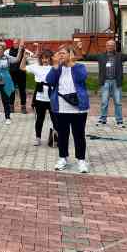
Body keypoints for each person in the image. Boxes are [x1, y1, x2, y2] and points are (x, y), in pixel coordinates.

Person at [46, 45, 90, 173]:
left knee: (79, 134)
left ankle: (81, 160)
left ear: (71, 54)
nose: (60, 55)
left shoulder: (79, 67)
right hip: (61, 107)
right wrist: (55, 66)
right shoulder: (57, 68)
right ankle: (62, 158)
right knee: (63, 134)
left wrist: (71, 63)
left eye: (63, 53)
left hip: (78, 108)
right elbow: (49, 81)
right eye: (59, 53)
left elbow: (82, 77)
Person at [85, 39, 127, 128]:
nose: (110, 47)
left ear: (115, 47)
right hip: (105, 81)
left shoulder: (119, 56)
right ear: (106, 46)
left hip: (116, 82)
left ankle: (119, 121)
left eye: (112, 45)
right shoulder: (100, 56)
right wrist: (80, 48)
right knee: (104, 102)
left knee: (118, 102)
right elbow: (86, 56)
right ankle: (103, 120)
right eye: (109, 45)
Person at [21, 46, 57, 147]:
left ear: (50, 58)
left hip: (52, 97)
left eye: (47, 58)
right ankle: (38, 138)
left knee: (55, 119)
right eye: (43, 58)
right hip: (40, 97)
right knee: (39, 119)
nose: (45, 60)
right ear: (40, 58)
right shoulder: (36, 66)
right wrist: (24, 58)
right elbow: (22, 68)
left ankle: (56, 137)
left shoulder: (54, 67)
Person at [0, 41, 24, 125]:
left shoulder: (7, 58)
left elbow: (17, 59)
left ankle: (7, 117)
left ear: (3, 50)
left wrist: (20, 49)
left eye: (0, 49)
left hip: (5, 83)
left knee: (6, 101)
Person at [4, 39, 28, 114]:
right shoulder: (8, 51)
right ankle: (11, 107)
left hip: (21, 73)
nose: (15, 44)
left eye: (17, 43)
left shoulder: (24, 51)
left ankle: (23, 107)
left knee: (22, 90)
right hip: (12, 73)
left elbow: (29, 59)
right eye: (14, 43)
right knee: (11, 90)